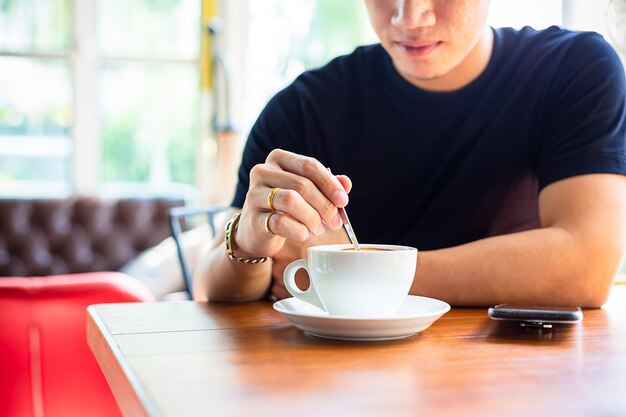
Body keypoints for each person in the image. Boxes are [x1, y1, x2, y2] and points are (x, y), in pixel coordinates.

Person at [193, 0, 626, 307]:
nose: (409, 15)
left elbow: (585, 266)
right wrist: (249, 242)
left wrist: (349, 271)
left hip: (509, 369)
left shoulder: (574, 71)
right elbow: (212, 286)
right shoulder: (305, 107)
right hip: (335, 376)